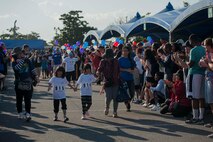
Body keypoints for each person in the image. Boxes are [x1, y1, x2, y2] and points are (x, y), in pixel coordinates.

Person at [12, 47, 39, 121]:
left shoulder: (28, 60)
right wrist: (23, 60)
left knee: (28, 99)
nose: (21, 54)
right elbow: (17, 68)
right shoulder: (14, 61)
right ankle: (20, 113)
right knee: (19, 99)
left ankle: (28, 113)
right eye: (19, 53)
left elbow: (32, 69)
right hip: (19, 83)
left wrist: (36, 77)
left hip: (28, 83)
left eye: (21, 53)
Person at [185, 34, 206, 124]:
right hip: (203, 73)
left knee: (194, 97)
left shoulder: (193, 50)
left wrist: (186, 62)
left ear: (191, 41)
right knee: (201, 96)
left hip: (194, 73)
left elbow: (191, 63)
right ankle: (201, 117)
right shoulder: (204, 49)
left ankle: (195, 117)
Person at [97, 48, 120, 117]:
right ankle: (107, 108)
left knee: (114, 97)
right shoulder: (103, 61)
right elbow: (99, 69)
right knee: (109, 96)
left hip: (115, 81)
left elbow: (118, 70)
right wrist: (98, 73)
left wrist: (98, 72)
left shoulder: (116, 61)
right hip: (108, 81)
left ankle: (115, 112)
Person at [199, 38, 213, 138]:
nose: (204, 47)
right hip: (208, 78)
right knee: (211, 103)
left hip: (211, 80)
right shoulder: (208, 54)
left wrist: (206, 64)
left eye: (205, 45)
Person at [118, 46, 136, 112]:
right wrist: (126, 70)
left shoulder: (131, 59)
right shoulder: (120, 59)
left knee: (132, 92)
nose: (124, 52)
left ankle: (128, 101)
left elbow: (134, 67)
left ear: (128, 52)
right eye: (123, 51)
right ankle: (127, 104)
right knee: (125, 92)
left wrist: (132, 70)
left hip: (130, 78)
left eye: (126, 51)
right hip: (123, 78)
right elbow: (118, 68)